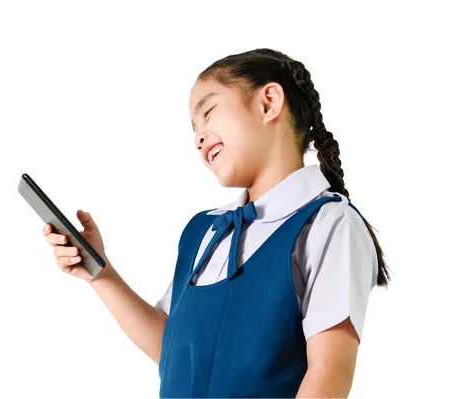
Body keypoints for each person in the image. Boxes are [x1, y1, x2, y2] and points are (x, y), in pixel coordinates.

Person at [42, 48, 391, 398]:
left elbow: (328, 375)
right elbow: (173, 351)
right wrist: (100, 274)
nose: (198, 137)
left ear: (268, 102)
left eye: (208, 112)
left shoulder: (328, 223)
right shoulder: (203, 231)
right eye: (194, 130)